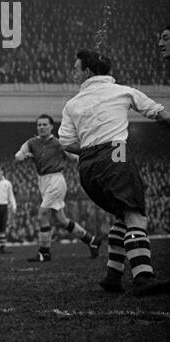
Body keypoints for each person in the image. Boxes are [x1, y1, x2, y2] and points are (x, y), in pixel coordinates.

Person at [58, 49, 170, 292]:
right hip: (116, 154)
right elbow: (158, 112)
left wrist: (91, 150)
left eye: (76, 68)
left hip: (87, 166)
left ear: (87, 72)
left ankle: (112, 274)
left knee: (122, 215)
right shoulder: (123, 90)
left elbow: (66, 143)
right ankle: (143, 276)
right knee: (135, 215)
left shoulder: (72, 104)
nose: (73, 72)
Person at [13, 114, 101, 262]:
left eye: (44, 125)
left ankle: (44, 252)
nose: (41, 127)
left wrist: (87, 161)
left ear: (51, 127)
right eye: (39, 125)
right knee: (61, 220)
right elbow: (18, 155)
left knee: (43, 214)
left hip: (55, 180)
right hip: (42, 181)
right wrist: (23, 156)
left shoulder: (59, 143)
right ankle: (91, 240)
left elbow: (75, 157)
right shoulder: (32, 142)